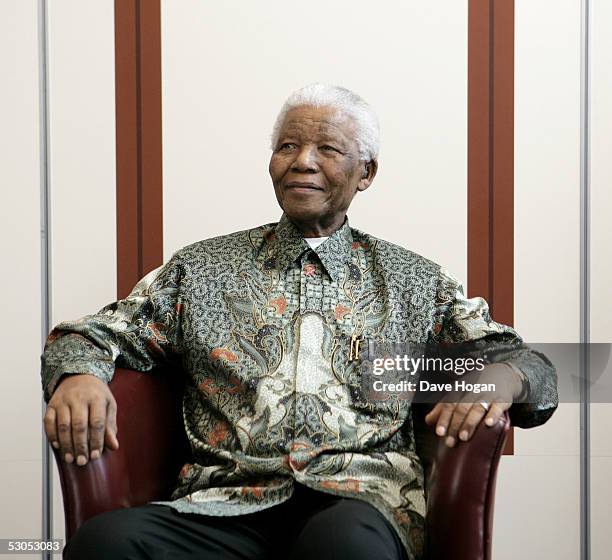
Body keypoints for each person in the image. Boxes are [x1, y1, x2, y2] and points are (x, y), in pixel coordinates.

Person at [41, 84, 558, 560]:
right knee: (104, 543)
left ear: (367, 173)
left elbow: (526, 363)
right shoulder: (201, 269)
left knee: (341, 545)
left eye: (327, 150)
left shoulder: (414, 281)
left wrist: (506, 379)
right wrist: (78, 373)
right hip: (224, 505)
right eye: (288, 146)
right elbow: (93, 332)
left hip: (359, 504)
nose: (302, 163)